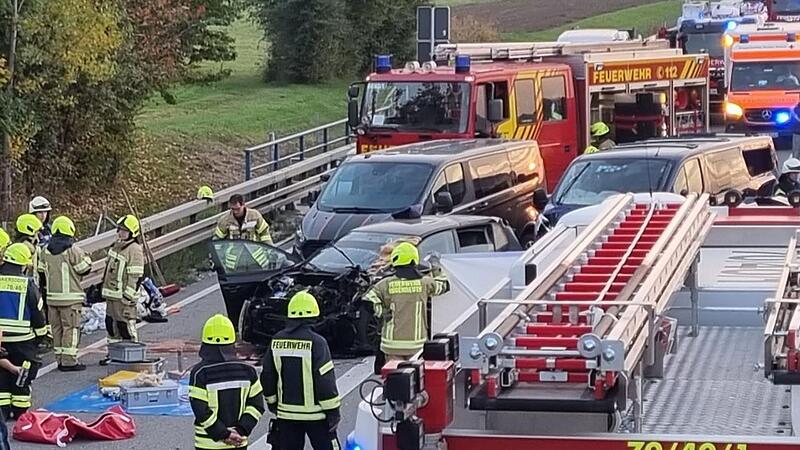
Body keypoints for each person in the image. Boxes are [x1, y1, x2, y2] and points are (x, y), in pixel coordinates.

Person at [261, 291, 341, 450]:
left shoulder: (277, 340)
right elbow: (325, 381)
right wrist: (333, 412)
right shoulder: (318, 343)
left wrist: (272, 403)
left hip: (286, 414)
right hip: (316, 415)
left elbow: (267, 375)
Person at [364, 242, 450, 361]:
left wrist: (383, 312)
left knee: (394, 377)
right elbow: (444, 285)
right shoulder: (424, 283)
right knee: (413, 378)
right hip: (416, 345)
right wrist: (435, 265)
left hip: (391, 344)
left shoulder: (385, 284)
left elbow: (367, 301)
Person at [189, 314, 264, 450]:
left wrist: (224, 434)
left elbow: (201, 410)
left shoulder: (200, 372)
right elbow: (257, 405)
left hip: (208, 443)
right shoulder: (248, 371)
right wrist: (240, 431)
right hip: (238, 441)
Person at [0, 243, 47, 419]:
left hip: (0, 340)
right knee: (24, 373)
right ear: (23, 265)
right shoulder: (27, 284)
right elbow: (38, 312)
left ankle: (2, 411)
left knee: (1, 376)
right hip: (23, 341)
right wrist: (41, 335)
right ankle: (20, 412)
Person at [213, 194, 272, 330]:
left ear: (243, 205)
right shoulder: (225, 221)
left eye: (237, 209)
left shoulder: (255, 216)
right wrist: (216, 261)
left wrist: (270, 253)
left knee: (256, 294)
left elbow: (265, 235)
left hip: (255, 262)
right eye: (232, 209)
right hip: (235, 265)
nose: (235, 212)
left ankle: (254, 322)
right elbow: (218, 241)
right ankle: (235, 325)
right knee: (235, 299)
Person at [41, 216, 92, 372]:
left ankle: (59, 359)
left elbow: (42, 273)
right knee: (71, 328)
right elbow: (84, 269)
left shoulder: (45, 250)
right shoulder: (73, 250)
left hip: (52, 298)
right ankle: (69, 361)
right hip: (70, 299)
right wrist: (87, 258)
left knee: (56, 329)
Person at [100, 215, 144, 365]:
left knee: (125, 327)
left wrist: (128, 297)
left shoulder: (135, 250)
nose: (120, 233)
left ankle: (134, 355)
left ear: (132, 233)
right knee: (111, 326)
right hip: (112, 296)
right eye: (119, 230)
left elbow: (135, 276)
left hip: (123, 298)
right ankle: (114, 354)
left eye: (124, 231)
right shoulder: (117, 246)